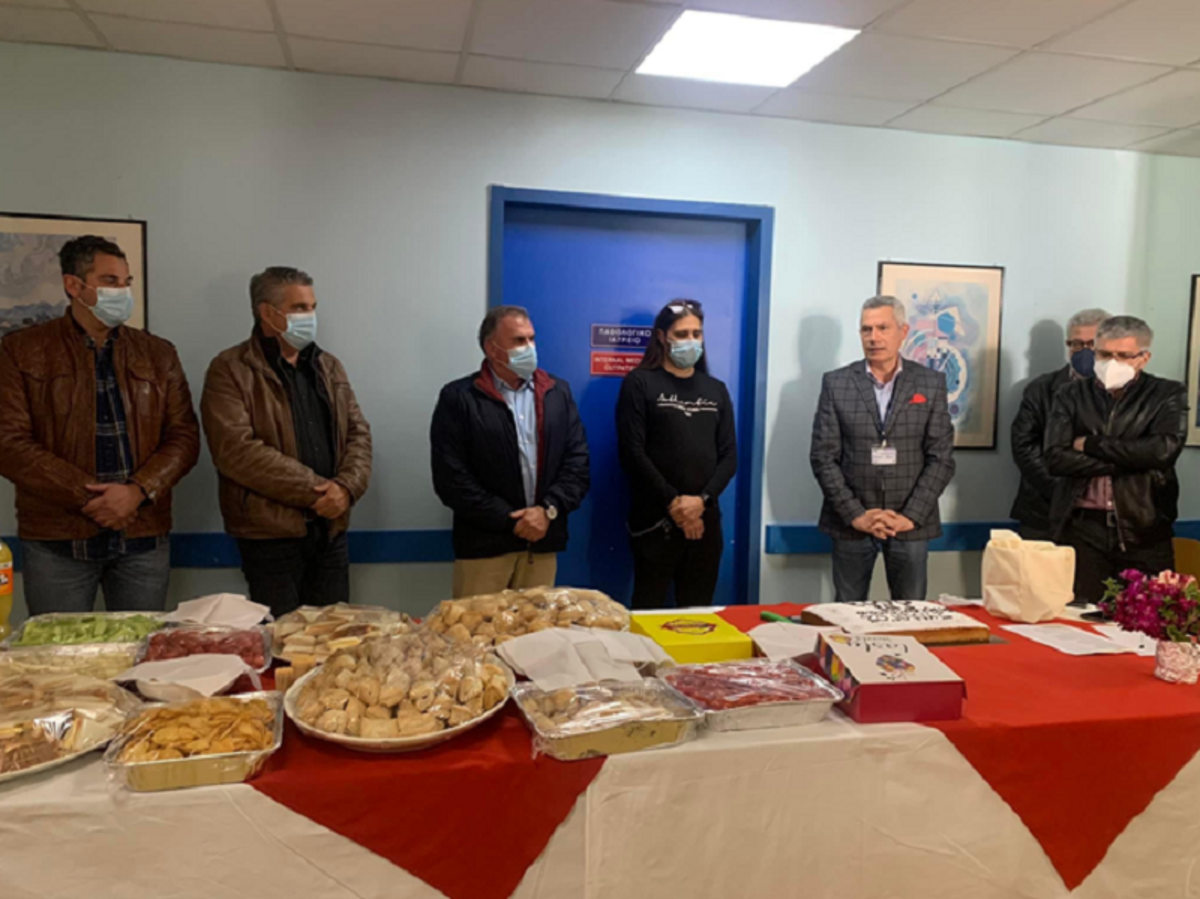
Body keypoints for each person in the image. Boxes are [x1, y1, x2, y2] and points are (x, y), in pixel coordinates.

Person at [0, 236, 199, 614]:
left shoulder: (158, 353)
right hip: (58, 540)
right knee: (56, 649)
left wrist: (138, 490)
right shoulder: (20, 350)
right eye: (110, 281)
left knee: (140, 646)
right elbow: (8, 443)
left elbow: (184, 437)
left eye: (126, 282)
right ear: (74, 285)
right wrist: (89, 497)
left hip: (142, 535)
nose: (122, 292)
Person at [201, 267, 372, 617]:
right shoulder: (230, 368)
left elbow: (358, 433)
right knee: (280, 637)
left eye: (312, 307)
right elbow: (236, 450)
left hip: (330, 531)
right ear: (268, 313)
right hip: (269, 537)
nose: (310, 316)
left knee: (335, 636)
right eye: (299, 307)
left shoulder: (329, 367)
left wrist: (346, 488)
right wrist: (317, 492)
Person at [430, 305, 589, 598]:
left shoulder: (557, 392)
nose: (529, 347)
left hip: (541, 544)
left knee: (536, 626)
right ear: (492, 348)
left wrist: (547, 511)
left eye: (531, 338)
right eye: (519, 340)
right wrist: (510, 520)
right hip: (484, 549)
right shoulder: (459, 398)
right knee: (477, 626)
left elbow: (577, 462)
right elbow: (451, 478)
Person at [810, 295, 955, 603]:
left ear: (903, 332)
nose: (873, 337)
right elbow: (823, 457)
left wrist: (910, 516)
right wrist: (856, 515)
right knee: (847, 614)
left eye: (882, 328)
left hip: (910, 523)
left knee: (910, 613)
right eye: (866, 329)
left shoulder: (930, 383)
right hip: (852, 523)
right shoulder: (837, 383)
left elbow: (941, 458)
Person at [1045, 316, 1186, 605]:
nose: (1112, 363)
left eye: (1123, 356)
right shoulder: (1070, 394)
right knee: (1078, 618)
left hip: (1143, 528)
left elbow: (1162, 451)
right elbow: (1056, 458)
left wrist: (1090, 444)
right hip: (1082, 529)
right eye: (1104, 354)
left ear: (1144, 358)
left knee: (1146, 617)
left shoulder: (1167, 393)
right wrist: (1134, 457)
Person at [616, 300, 736, 609]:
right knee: (648, 610)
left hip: (705, 521)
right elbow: (632, 453)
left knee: (699, 613)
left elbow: (729, 456)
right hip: (655, 522)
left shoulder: (716, 389)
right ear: (662, 337)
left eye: (697, 333)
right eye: (682, 334)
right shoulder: (640, 382)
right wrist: (675, 503)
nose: (691, 341)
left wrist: (700, 502)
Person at [1010, 308, 1109, 541]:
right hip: (1044, 511)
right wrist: (1064, 492)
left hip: (1104, 516)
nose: (1084, 351)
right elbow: (1024, 446)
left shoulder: (1127, 391)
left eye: (1092, 344)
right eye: (1076, 344)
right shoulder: (1041, 389)